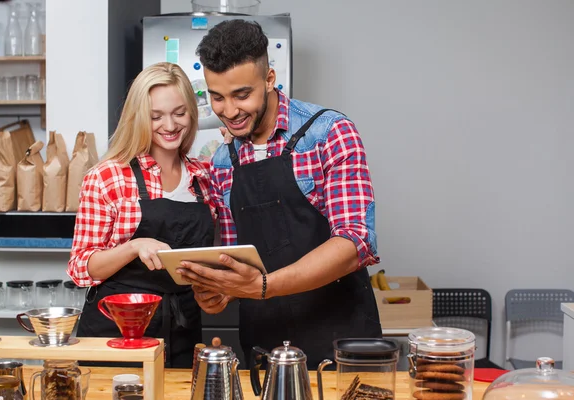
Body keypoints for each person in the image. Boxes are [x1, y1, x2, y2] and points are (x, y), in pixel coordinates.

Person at [177, 20, 382, 368]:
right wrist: (219, 289)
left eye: (242, 95)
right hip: (265, 343)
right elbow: (235, 256)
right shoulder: (224, 161)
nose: (229, 111)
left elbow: (355, 243)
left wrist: (262, 285)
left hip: (340, 336)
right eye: (217, 97)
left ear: (270, 79)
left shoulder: (329, 133)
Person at [67, 62, 218, 368]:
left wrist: (213, 290)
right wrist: (135, 246)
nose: (170, 125)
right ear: (138, 118)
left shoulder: (205, 177)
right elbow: (82, 267)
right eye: (156, 116)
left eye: (179, 112)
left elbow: (214, 258)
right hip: (116, 332)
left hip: (183, 328)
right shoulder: (107, 176)